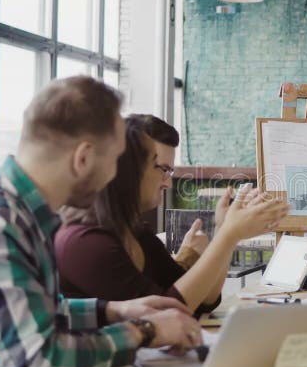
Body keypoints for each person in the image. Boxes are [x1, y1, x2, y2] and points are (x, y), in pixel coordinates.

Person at [0, 77, 203, 367]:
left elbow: (34, 312)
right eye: (115, 159)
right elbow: (39, 364)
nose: (117, 175)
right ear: (83, 158)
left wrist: (114, 311)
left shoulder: (19, 210)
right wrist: (144, 331)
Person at [54, 115, 289, 314]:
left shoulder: (136, 233)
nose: (168, 183)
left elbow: (203, 300)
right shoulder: (86, 243)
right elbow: (169, 313)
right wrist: (228, 234)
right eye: (163, 170)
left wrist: (225, 231)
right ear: (127, 171)